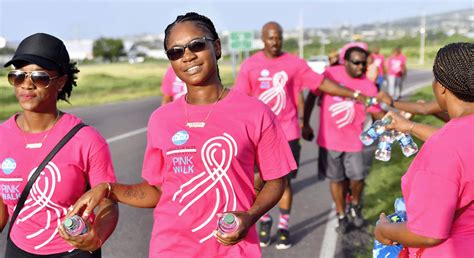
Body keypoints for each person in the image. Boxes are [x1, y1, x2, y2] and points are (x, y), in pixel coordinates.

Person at [68, 12, 297, 258]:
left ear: (216, 47)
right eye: (175, 52)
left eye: (196, 45)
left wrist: (250, 217)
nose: (187, 56)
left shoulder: (255, 112)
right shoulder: (161, 119)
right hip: (170, 248)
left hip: (232, 249)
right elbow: (156, 191)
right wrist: (108, 189)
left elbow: (276, 180)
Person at [234, 22, 367, 249]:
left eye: (278, 37)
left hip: (286, 133)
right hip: (256, 135)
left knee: (283, 183)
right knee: (258, 181)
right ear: (263, 39)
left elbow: (321, 84)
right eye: (270, 38)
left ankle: (284, 226)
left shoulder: (294, 64)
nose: (275, 42)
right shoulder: (250, 66)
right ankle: (264, 220)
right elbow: (239, 101)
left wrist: (354, 93)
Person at [0, 33, 118, 257]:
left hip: (73, 251)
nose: (27, 84)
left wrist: (97, 236)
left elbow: (108, 204)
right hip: (18, 250)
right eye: (18, 76)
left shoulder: (87, 140)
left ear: (61, 81)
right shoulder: (1, 137)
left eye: (39, 77)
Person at [374, 42, 474, 257]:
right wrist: (410, 126)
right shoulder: (456, 138)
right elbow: (461, 147)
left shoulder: (444, 147)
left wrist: (383, 229)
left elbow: (427, 234)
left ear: (441, 87)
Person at [303, 46, 385, 234]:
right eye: (356, 62)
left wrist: (394, 123)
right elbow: (311, 96)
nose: (361, 67)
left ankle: (355, 204)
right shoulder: (330, 74)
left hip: (355, 141)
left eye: (364, 63)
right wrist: (305, 123)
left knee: (358, 177)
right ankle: (341, 215)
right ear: (345, 62)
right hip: (330, 140)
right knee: (337, 179)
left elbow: (376, 113)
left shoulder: (369, 86)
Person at [377, 91, 450, 123]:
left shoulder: (452, 99)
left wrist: (392, 102)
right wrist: (433, 111)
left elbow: (423, 108)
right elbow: (451, 119)